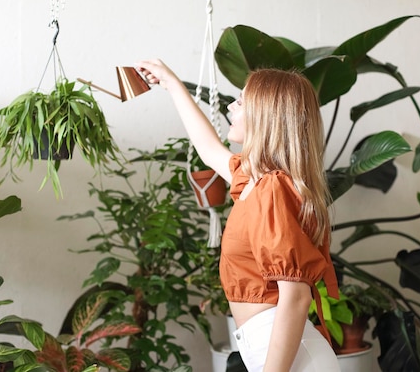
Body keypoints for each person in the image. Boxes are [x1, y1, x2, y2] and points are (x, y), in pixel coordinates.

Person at [136, 59, 341, 372]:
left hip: (292, 359)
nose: (231, 106)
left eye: (242, 100)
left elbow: (296, 297)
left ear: (265, 117)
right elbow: (208, 148)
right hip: (277, 350)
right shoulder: (255, 182)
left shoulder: (272, 189)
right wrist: (170, 82)